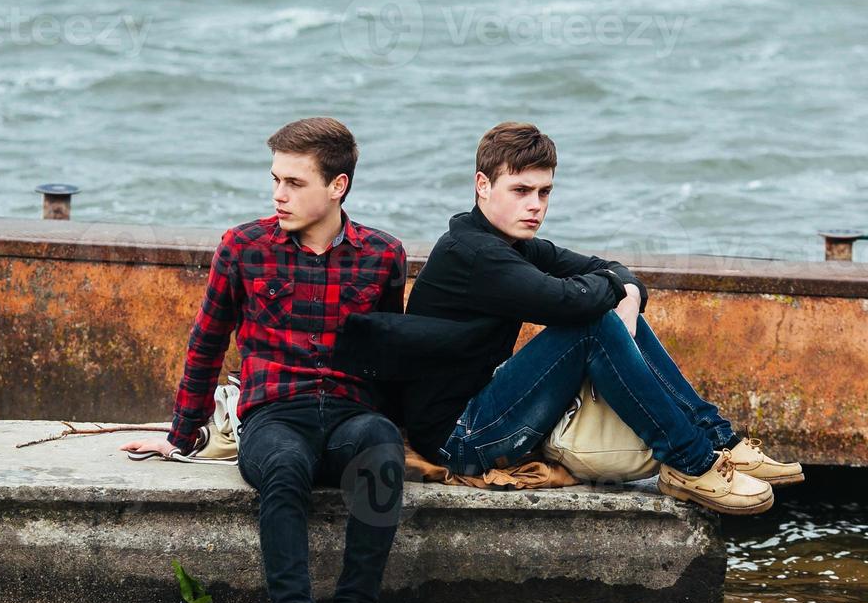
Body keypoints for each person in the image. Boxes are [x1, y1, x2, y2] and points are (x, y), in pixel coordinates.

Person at [332, 121, 802, 515]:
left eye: (544, 191)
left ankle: (718, 440)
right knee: (592, 326)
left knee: (600, 314)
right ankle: (692, 461)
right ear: (482, 186)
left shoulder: (512, 244)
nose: (535, 204)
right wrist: (620, 291)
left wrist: (627, 289)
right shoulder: (472, 254)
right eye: (520, 191)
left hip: (486, 409)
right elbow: (567, 303)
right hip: (462, 437)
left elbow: (607, 269)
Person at [120, 117, 408, 603]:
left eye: (295, 183)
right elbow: (206, 342)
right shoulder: (243, 247)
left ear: (338, 187)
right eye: (275, 179)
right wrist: (181, 436)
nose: (278, 194)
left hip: (351, 414)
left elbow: (390, 356)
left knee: (383, 450)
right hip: (276, 414)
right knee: (284, 467)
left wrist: (409, 431)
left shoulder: (383, 255)